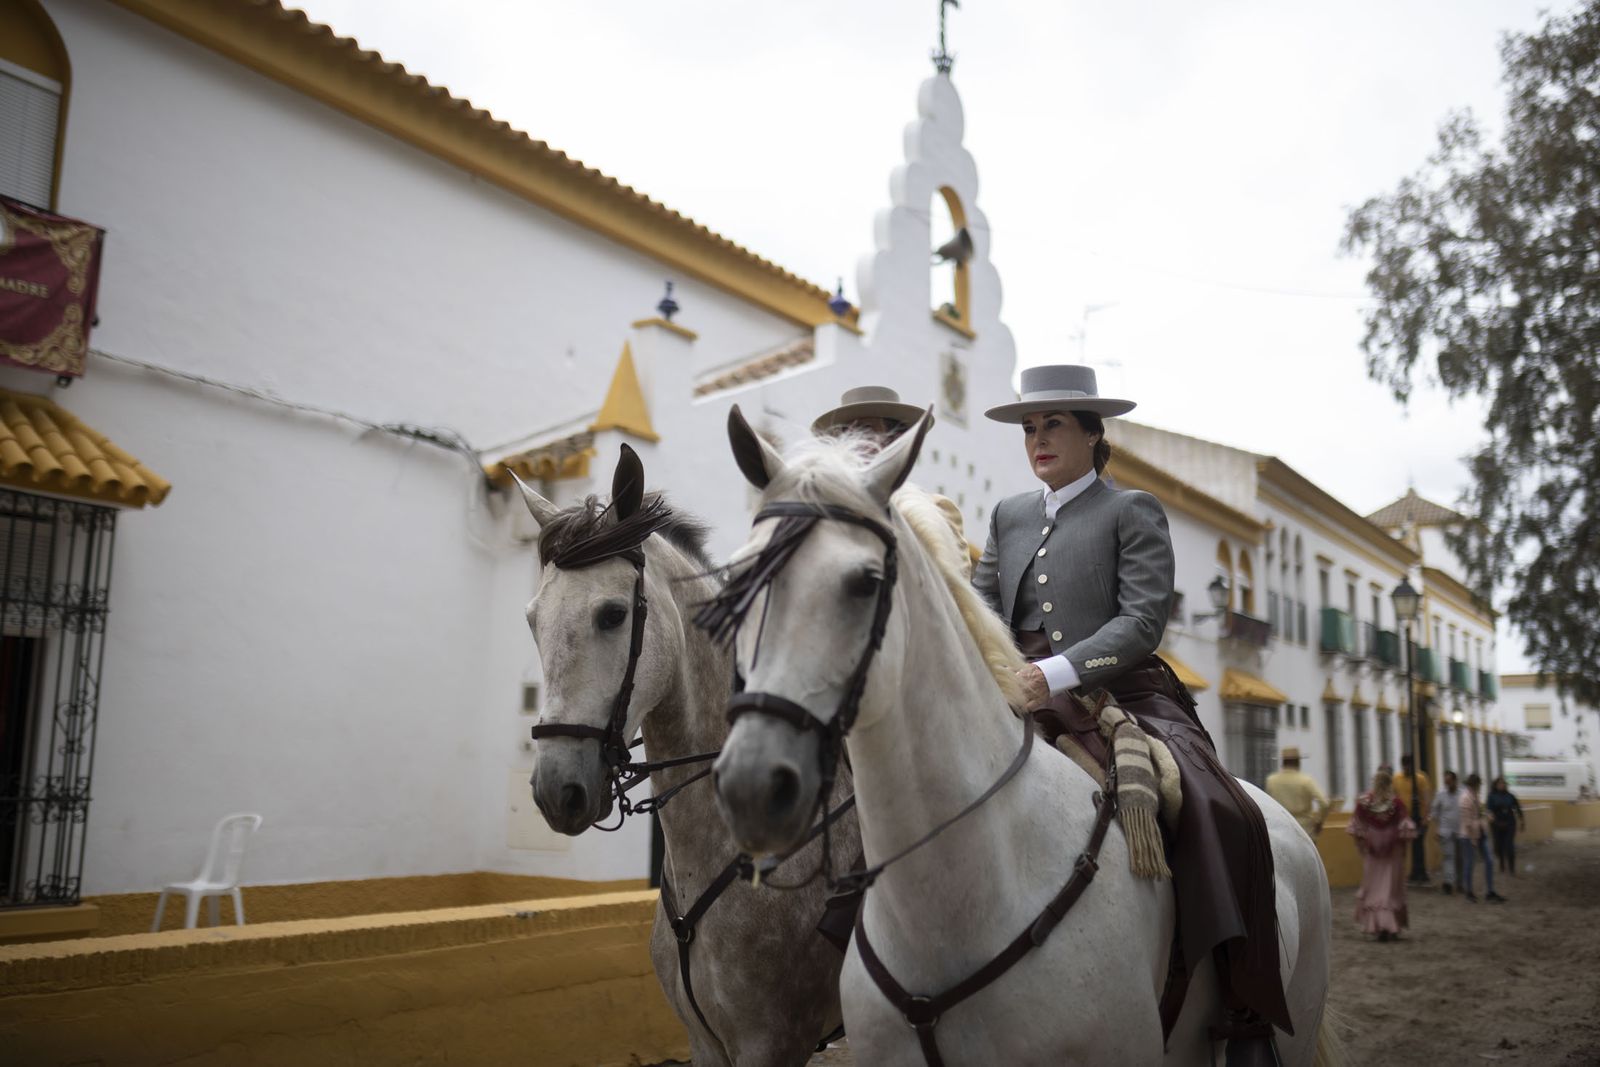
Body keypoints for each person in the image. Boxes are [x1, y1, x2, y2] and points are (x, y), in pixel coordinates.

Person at [972, 364, 1288, 1066]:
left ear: (1092, 432)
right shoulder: (1009, 515)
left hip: (1120, 689)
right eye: (1029, 427)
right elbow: (981, 605)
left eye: (1054, 423)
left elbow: (1143, 620)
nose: (1038, 438)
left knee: (1217, 807)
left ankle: (1243, 1012)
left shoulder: (1131, 509)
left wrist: (1052, 672)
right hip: (1012, 687)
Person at [812, 386, 969, 576]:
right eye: (845, 432)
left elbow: (955, 598)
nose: (852, 441)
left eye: (865, 430)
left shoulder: (938, 510)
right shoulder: (821, 513)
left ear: (896, 440)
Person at [1347, 768, 1418, 941]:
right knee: (1390, 888)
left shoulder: (1364, 803)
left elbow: (1357, 828)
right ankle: (1390, 925)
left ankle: (1376, 925)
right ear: (1389, 784)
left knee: (1374, 887)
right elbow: (1405, 830)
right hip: (1393, 854)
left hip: (1372, 853)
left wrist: (1363, 845)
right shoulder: (1397, 804)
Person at [1459, 773, 1506, 903]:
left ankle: (1489, 891)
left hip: (1479, 832)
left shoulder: (1474, 796)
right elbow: (1467, 822)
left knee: (1489, 861)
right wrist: (1475, 834)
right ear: (1474, 785)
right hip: (1469, 835)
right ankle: (1469, 892)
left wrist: (1486, 815)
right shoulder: (1465, 798)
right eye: (1478, 785)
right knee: (1469, 863)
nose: (1479, 787)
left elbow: (1479, 812)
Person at [1266, 747, 1329, 839]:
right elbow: (1324, 804)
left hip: (1280, 830)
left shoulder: (1271, 781)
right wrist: (1319, 822)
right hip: (1304, 830)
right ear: (1298, 762)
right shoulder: (1306, 781)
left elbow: (1268, 806)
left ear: (1282, 762)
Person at [1429, 770, 1462, 894]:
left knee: (1460, 858)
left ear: (1454, 781)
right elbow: (1434, 811)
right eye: (1445, 782)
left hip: (1460, 831)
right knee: (1449, 856)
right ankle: (1448, 883)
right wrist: (1437, 828)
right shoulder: (1440, 794)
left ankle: (1460, 882)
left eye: (1449, 781)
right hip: (1445, 831)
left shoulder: (1462, 794)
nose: (1447, 784)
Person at [1486, 776, 1525, 876]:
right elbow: (1489, 810)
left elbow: (1518, 808)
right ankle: (1502, 862)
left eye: (1504, 783)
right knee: (1498, 847)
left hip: (1509, 824)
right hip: (1496, 824)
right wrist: (1491, 819)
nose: (1502, 785)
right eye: (1500, 783)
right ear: (1496, 785)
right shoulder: (1491, 796)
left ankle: (1512, 868)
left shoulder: (1510, 796)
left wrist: (1522, 821)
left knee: (1509, 846)